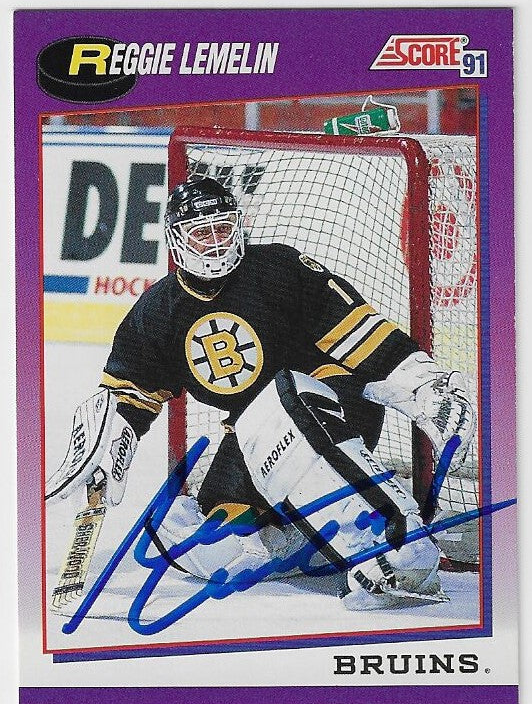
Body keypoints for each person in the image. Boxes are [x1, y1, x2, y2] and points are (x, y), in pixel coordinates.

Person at [46, 177, 475, 608]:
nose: (215, 242)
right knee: (206, 541)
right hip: (253, 434)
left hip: (330, 404)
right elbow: (130, 395)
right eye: (201, 233)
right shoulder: (156, 314)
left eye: (223, 228)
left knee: (282, 398)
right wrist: (112, 448)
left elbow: (363, 334)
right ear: (177, 240)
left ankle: (399, 548)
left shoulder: (277, 269)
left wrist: (423, 381)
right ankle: (307, 539)